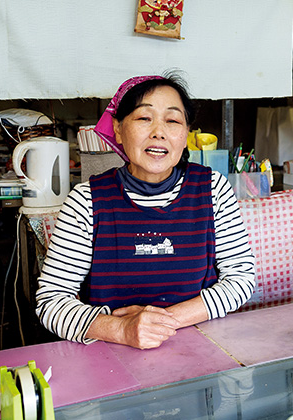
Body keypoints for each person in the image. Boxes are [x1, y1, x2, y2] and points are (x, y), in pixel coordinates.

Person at [35, 73, 255, 349]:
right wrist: (121, 329)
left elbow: (241, 279)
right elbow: (52, 302)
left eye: (173, 120)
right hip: (112, 356)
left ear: (186, 135)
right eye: (143, 118)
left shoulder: (212, 190)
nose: (159, 132)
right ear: (118, 129)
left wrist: (162, 322)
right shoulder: (86, 202)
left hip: (203, 348)